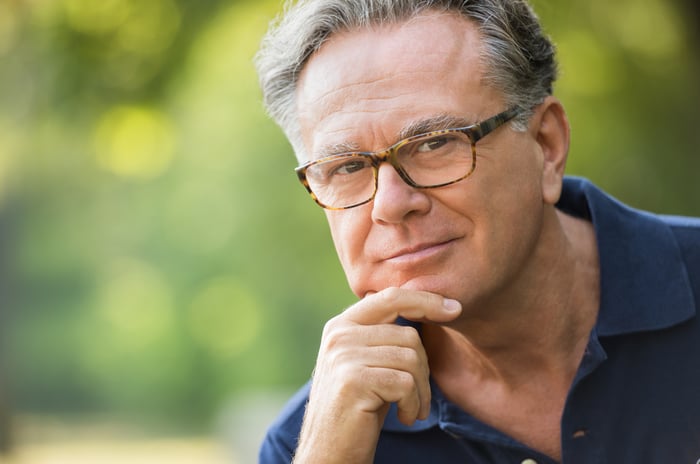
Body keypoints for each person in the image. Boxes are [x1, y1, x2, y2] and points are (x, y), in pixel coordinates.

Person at [254, 0, 700, 462]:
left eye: (435, 143)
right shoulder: (309, 444)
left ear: (546, 146)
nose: (389, 205)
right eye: (346, 166)